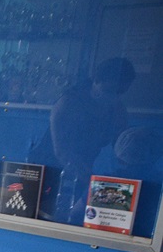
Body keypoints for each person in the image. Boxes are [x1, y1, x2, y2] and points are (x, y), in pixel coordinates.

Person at [29, 57, 136, 224]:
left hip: (83, 171)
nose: (113, 96)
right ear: (96, 80)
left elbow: (123, 148)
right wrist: (93, 183)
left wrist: (120, 176)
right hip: (50, 168)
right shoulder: (68, 103)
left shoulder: (117, 109)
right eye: (109, 90)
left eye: (120, 92)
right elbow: (61, 151)